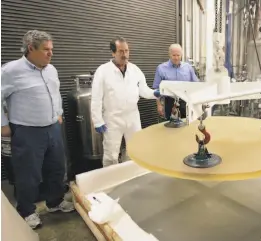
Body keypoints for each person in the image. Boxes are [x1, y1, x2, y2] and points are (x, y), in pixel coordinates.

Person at [1, 30, 75, 229]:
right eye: (46, 50)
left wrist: (58, 113)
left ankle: (55, 202)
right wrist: (2, 124)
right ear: (30, 48)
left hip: (52, 127)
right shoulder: (10, 71)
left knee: (57, 168)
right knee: (28, 174)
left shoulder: (51, 69)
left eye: (52, 49)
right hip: (27, 131)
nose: (50, 54)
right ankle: (27, 211)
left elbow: (55, 93)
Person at [91, 37, 160, 167]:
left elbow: (143, 90)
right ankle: (111, 182)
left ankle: (130, 177)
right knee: (111, 153)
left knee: (135, 149)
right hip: (112, 118)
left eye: (127, 51)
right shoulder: (103, 71)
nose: (125, 55)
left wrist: (154, 93)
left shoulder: (135, 70)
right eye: (121, 51)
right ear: (113, 53)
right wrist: (98, 120)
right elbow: (96, 98)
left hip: (132, 116)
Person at [153, 44, 199, 119]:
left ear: (181, 55)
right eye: (174, 55)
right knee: (169, 127)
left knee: (186, 126)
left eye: (178, 55)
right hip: (169, 103)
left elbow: (196, 84)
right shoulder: (161, 68)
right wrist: (159, 105)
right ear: (169, 55)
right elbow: (156, 89)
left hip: (186, 101)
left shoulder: (188, 68)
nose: (176, 58)